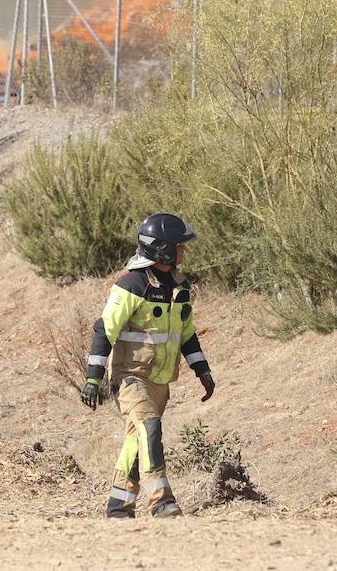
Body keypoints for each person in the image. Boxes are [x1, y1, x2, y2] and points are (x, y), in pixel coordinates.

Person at [80, 213, 216, 518]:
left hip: (160, 382)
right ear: (163, 249)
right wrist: (93, 378)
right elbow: (104, 330)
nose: (184, 251)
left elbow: (186, 334)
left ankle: (119, 507)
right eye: (180, 246)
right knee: (149, 426)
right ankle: (162, 501)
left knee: (138, 440)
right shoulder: (131, 285)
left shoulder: (180, 286)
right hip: (130, 379)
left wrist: (202, 371)